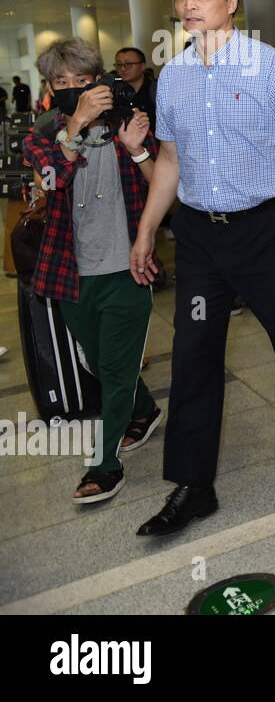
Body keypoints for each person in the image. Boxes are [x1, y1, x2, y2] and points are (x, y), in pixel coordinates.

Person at [129, 0, 275, 537]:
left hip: (266, 230)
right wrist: (147, 230)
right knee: (194, 356)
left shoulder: (269, 67)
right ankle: (193, 486)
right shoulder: (171, 76)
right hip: (198, 236)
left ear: (231, 3)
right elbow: (168, 161)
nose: (188, 5)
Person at [23, 38, 162, 504]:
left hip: (127, 268)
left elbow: (167, 191)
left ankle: (104, 465)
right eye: (62, 83)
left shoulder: (129, 127)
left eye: (83, 82)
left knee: (117, 370)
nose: (74, 90)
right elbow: (52, 180)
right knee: (100, 363)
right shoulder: (41, 136)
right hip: (70, 274)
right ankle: (145, 412)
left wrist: (140, 151)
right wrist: (76, 124)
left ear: (99, 81)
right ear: (49, 88)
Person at [112, 47, 157, 129]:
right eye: (119, 65)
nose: (122, 68)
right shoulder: (114, 92)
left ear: (142, 66)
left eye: (128, 64)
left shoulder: (156, 91)